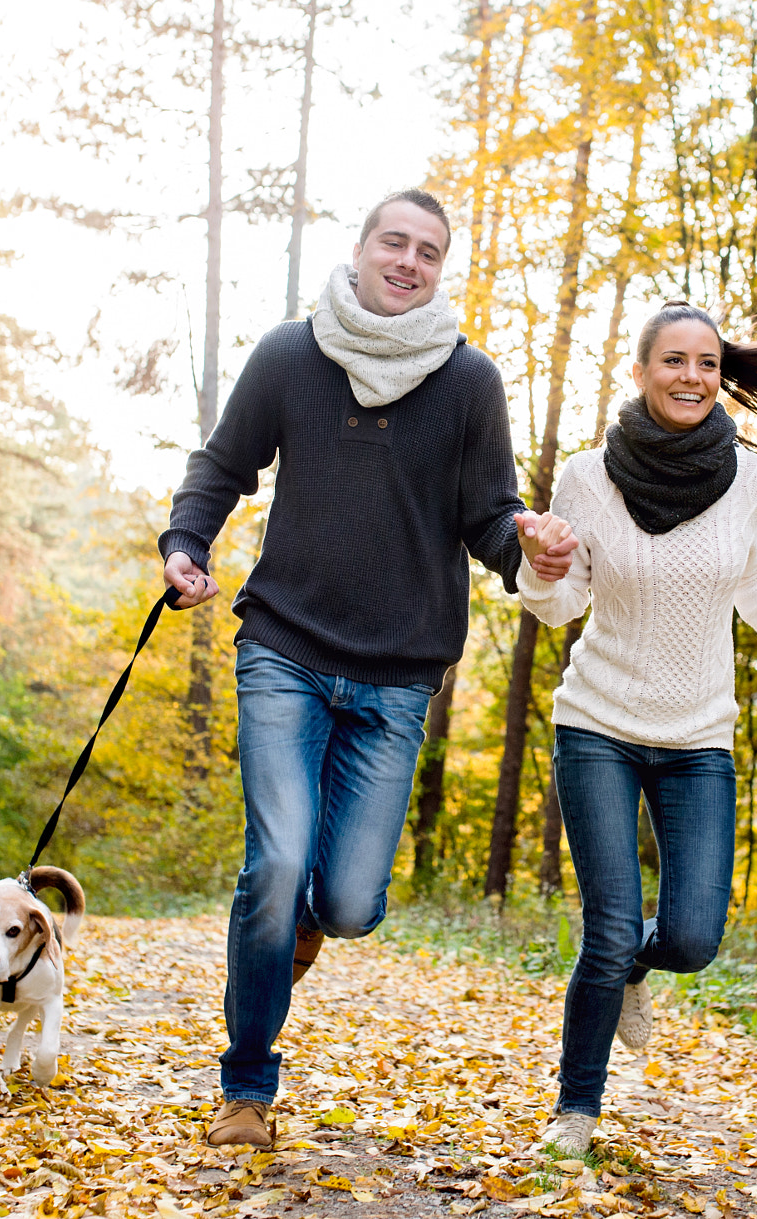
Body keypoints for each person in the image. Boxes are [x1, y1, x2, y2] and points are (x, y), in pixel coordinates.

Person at [160, 189, 576, 1148]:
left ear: (440, 269)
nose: (410, 261)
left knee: (347, 902)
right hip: (286, 649)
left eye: (430, 251)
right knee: (274, 863)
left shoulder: (470, 381)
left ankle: (303, 924)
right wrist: (187, 541)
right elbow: (223, 464)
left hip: (397, 678)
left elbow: (488, 517)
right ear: (359, 249)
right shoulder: (290, 354)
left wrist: (530, 554)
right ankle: (247, 1088)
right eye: (396, 241)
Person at [511, 301, 757, 1157]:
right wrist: (538, 563)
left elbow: (752, 577)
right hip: (597, 721)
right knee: (608, 924)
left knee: (693, 937)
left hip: (699, 735)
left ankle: (640, 965)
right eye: (673, 361)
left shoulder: (746, 478)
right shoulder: (587, 476)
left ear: (720, 377)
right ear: (639, 373)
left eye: (706, 363)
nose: (691, 376)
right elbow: (562, 602)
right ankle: (576, 1111)